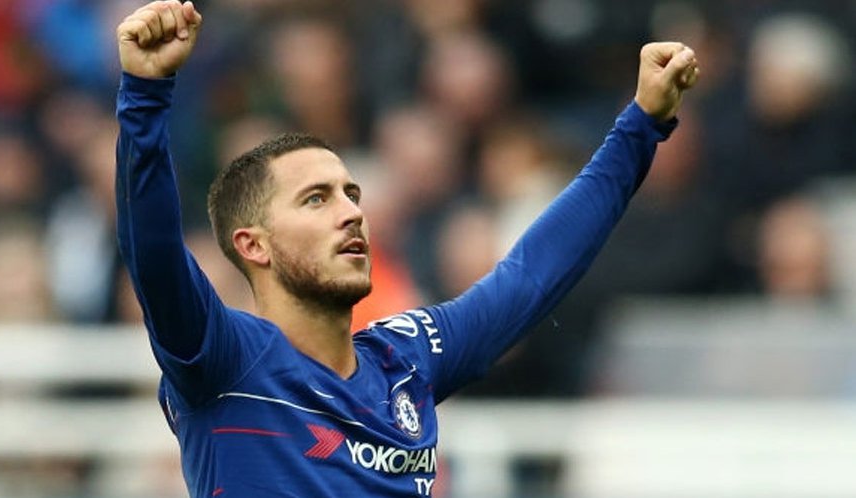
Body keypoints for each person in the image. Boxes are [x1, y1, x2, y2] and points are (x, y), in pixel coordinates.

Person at [114, 1, 699, 496]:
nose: (351, 212)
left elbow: (532, 274)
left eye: (352, 193)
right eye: (316, 199)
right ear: (253, 246)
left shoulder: (406, 359)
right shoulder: (223, 360)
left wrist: (641, 125)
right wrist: (145, 95)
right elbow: (154, 252)